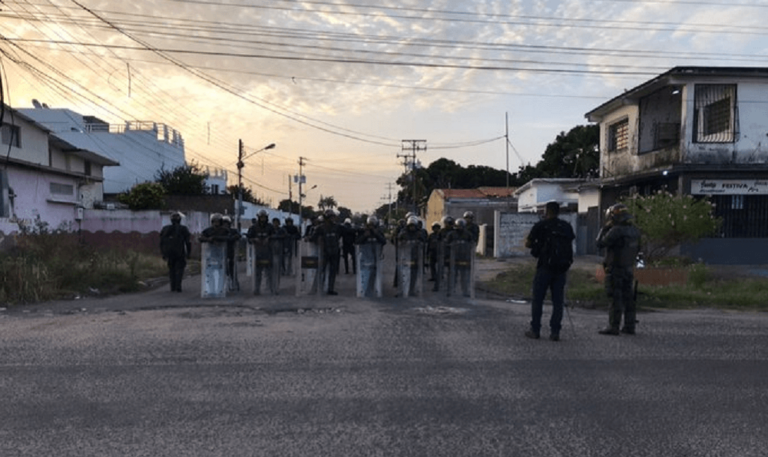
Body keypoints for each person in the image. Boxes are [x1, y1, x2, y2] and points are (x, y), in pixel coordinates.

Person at [524, 201, 575, 341]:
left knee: (538, 300)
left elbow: (528, 243)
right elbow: (570, 244)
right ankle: (555, 332)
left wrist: (537, 246)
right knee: (558, 301)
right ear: (559, 211)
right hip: (561, 268)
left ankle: (535, 330)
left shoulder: (541, 226)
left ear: (547, 211)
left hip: (545, 267)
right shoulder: (566, 226)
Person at [596, 203, 642, 336]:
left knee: (615, 298)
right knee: (629, 298)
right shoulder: (635, 231)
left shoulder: (615, 231)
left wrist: (604, 229)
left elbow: (599, 243)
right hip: (628, 268)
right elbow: (639, 250)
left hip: (615, 268)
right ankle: (629, 325)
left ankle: (613, 326)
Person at [310, 209, 343, 295]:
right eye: (330, 217)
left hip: (335, 252)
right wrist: (309, 239)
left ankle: (330, 289)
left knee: (332, 272)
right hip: (324, 252)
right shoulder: (320, 228)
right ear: (326, 218)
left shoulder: (338, 227)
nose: (332, 219)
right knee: (321, 271)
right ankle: (319, 288)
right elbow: (312, 237)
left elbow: (349, 231)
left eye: (333, 217)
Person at [160, 212, 192, 292]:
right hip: (180, 252)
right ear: (180, 220)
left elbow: (161, 242)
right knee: (179, 269)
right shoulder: (183, 229)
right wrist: (189, 253)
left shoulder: (165, 229)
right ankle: (178, 285)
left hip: (169, 253)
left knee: (171, 270)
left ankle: (172, 286)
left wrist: (163, 253)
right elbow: (188, 242)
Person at [246, 210, 275, 294]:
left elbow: (275, 235)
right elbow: (248, 237)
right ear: (258, 217)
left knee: (269, 273)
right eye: (261, 217)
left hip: (268, 252)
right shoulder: (253, 227)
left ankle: (270, 289)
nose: (262, 219)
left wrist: (269, 238)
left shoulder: (270, 227)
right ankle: (256, 289)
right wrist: (254, 239)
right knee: (257, 273)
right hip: (257, 253)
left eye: (264, 217)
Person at [444, 218, 474, 297]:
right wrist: (447, 258)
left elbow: (472, 245)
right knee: (452, 276)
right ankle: (450, 291)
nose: (460, 228)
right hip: (454, 258)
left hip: (465, 258)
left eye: (461, 226)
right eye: (458, 226)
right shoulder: (451, 234)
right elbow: (446, 246)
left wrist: (471, 257)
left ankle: (465, 291)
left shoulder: (468, 234)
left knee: (465, 276)